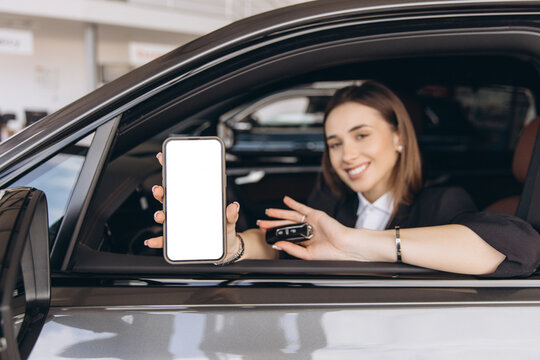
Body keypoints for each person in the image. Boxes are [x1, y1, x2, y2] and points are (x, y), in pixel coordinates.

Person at [146, 81, 540, 277]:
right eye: (335, 143)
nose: (347, 155)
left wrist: (353, 242)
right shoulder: (331, 202)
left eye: (362, 136)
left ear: (399, 137)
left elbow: (515, 247)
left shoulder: (442, 203)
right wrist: (229, 246)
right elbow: (275, 243)